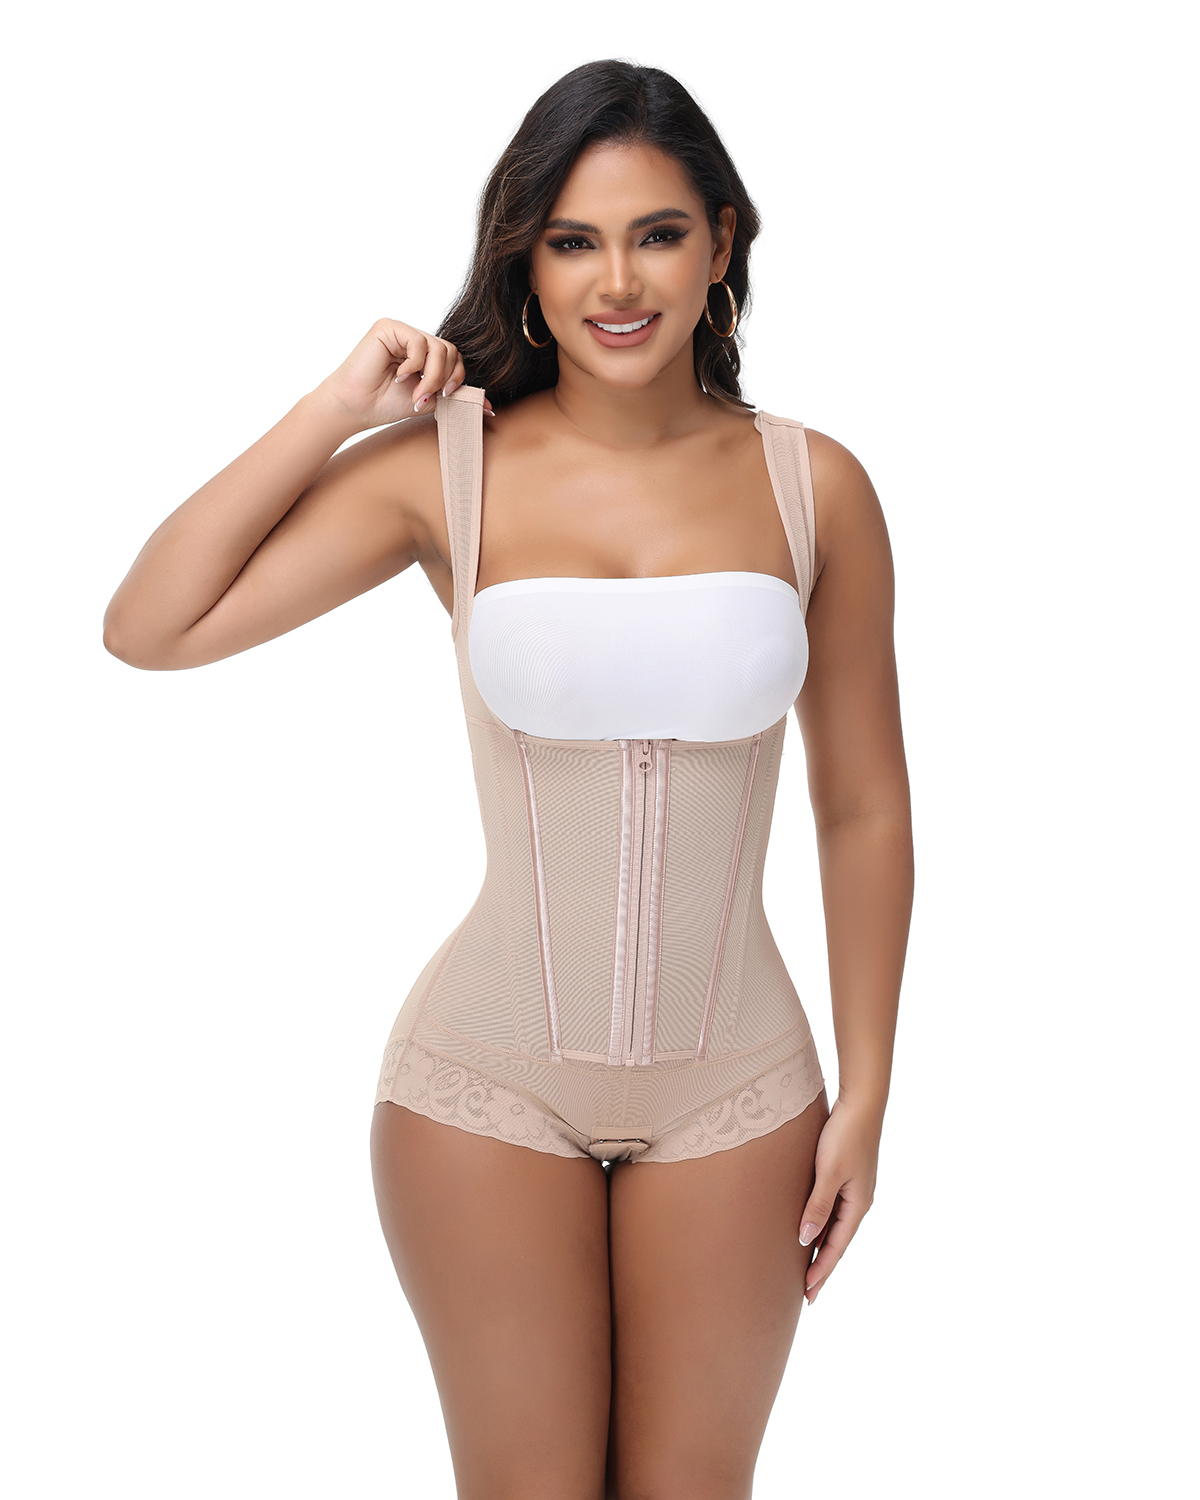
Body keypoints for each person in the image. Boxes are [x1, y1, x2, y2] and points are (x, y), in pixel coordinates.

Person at [104, 57, 913, 1500]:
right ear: (525, 262)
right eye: (574, 240)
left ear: (721, 242)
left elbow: (862, 806)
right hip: (484, 1084)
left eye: (658, 233)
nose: (620, 281)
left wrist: (870, 1090)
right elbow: (151, 626)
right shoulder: (447, 472)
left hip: (741, 1089)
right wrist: (337, 404)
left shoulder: (816, 486)